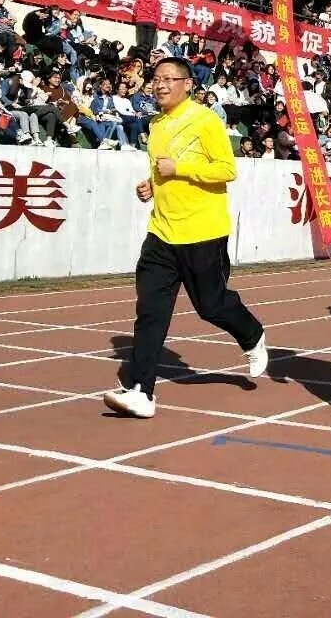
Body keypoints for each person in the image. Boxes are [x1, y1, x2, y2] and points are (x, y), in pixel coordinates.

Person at [104, 56, 268, 419]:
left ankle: (252, 334)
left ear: (187, 83)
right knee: (150, 311)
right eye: (155, 79)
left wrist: (181, 169)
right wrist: (151, 185)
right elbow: (161, 171)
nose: (159, 85)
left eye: (168, 79)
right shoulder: (157, 124)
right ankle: (140, 391)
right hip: (161, 233)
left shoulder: (205, 121)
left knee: (210, 306)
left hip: (202, 232)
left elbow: (227, 170)